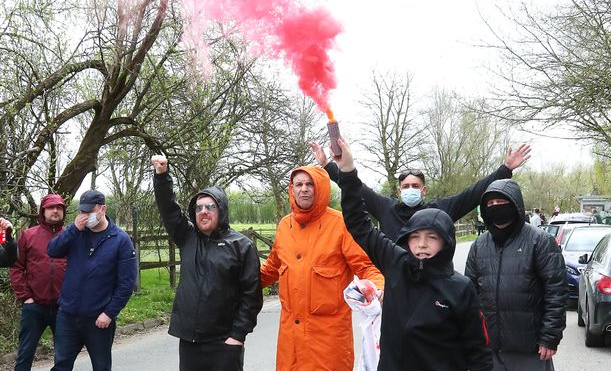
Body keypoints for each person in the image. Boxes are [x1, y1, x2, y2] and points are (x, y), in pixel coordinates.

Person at [334, 137, 492, 371]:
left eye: (432, 237)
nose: (422, 245)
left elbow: (479, 354)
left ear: (446, 242)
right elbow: (359, 224)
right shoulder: (395, 262)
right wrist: (347, 171)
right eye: (415, 237)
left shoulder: (461, 288)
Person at [260, 165, 384, 371]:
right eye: (298, 184)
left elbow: (367, 267)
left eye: (310, 184)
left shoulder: (340, 224)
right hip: (290, 346)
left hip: (328, 346)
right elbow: (271, 269)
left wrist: (377, 287)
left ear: (321, 188)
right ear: (292, 189)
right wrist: (237, 281)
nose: (304, 189)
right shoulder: (284, 226)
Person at [151, 155, 262, 371]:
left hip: (225, 343)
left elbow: (252, 296)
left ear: (221, 209)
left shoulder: (241, 245)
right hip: (190, 342)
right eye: (199, 207)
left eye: (210, 206)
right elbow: (169, 209)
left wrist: (237, 336)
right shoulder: (187, 237)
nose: (203, 211)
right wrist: (162, 177)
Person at [311, 142, 531, 241]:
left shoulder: (439, 211)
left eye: (415, 186)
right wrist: (329, 165)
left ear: (423, 190)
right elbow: (355, 188)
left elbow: (472, 194)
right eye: (406, 187)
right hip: (395, 290)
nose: (410, 190)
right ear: (398, 191)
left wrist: (505, 169)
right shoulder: (385, 208)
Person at [465, 179, 567, 371]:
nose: (496, 207)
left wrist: (550, 336)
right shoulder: (478, 246)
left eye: (501, 202)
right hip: (490, 349)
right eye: (491, 204)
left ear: (515, 203)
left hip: (530, 349)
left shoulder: (540, 241)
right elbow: (469, 295)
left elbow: (556, 292)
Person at [47, 189, 137, 371]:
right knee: (61, 365)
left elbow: (126, 283)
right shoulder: (76, 233)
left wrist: (110, 313)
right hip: (68, 315)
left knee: (101, 366)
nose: (85, 216)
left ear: (102, 209)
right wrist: (73, 229)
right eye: (82, 211)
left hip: (98, 318)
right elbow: (52, 250)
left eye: (89, 211)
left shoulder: (120, 240)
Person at [10, 194, 67, 371]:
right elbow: (16, 266)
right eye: (51, 207)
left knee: (64, 356)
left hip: (63, 307)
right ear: (43, 211)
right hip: (34, 306)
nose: (55, 211)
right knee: (25, 353)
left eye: (59, 207)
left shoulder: (71, 236)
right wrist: (25, 296)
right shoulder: (28, 235)